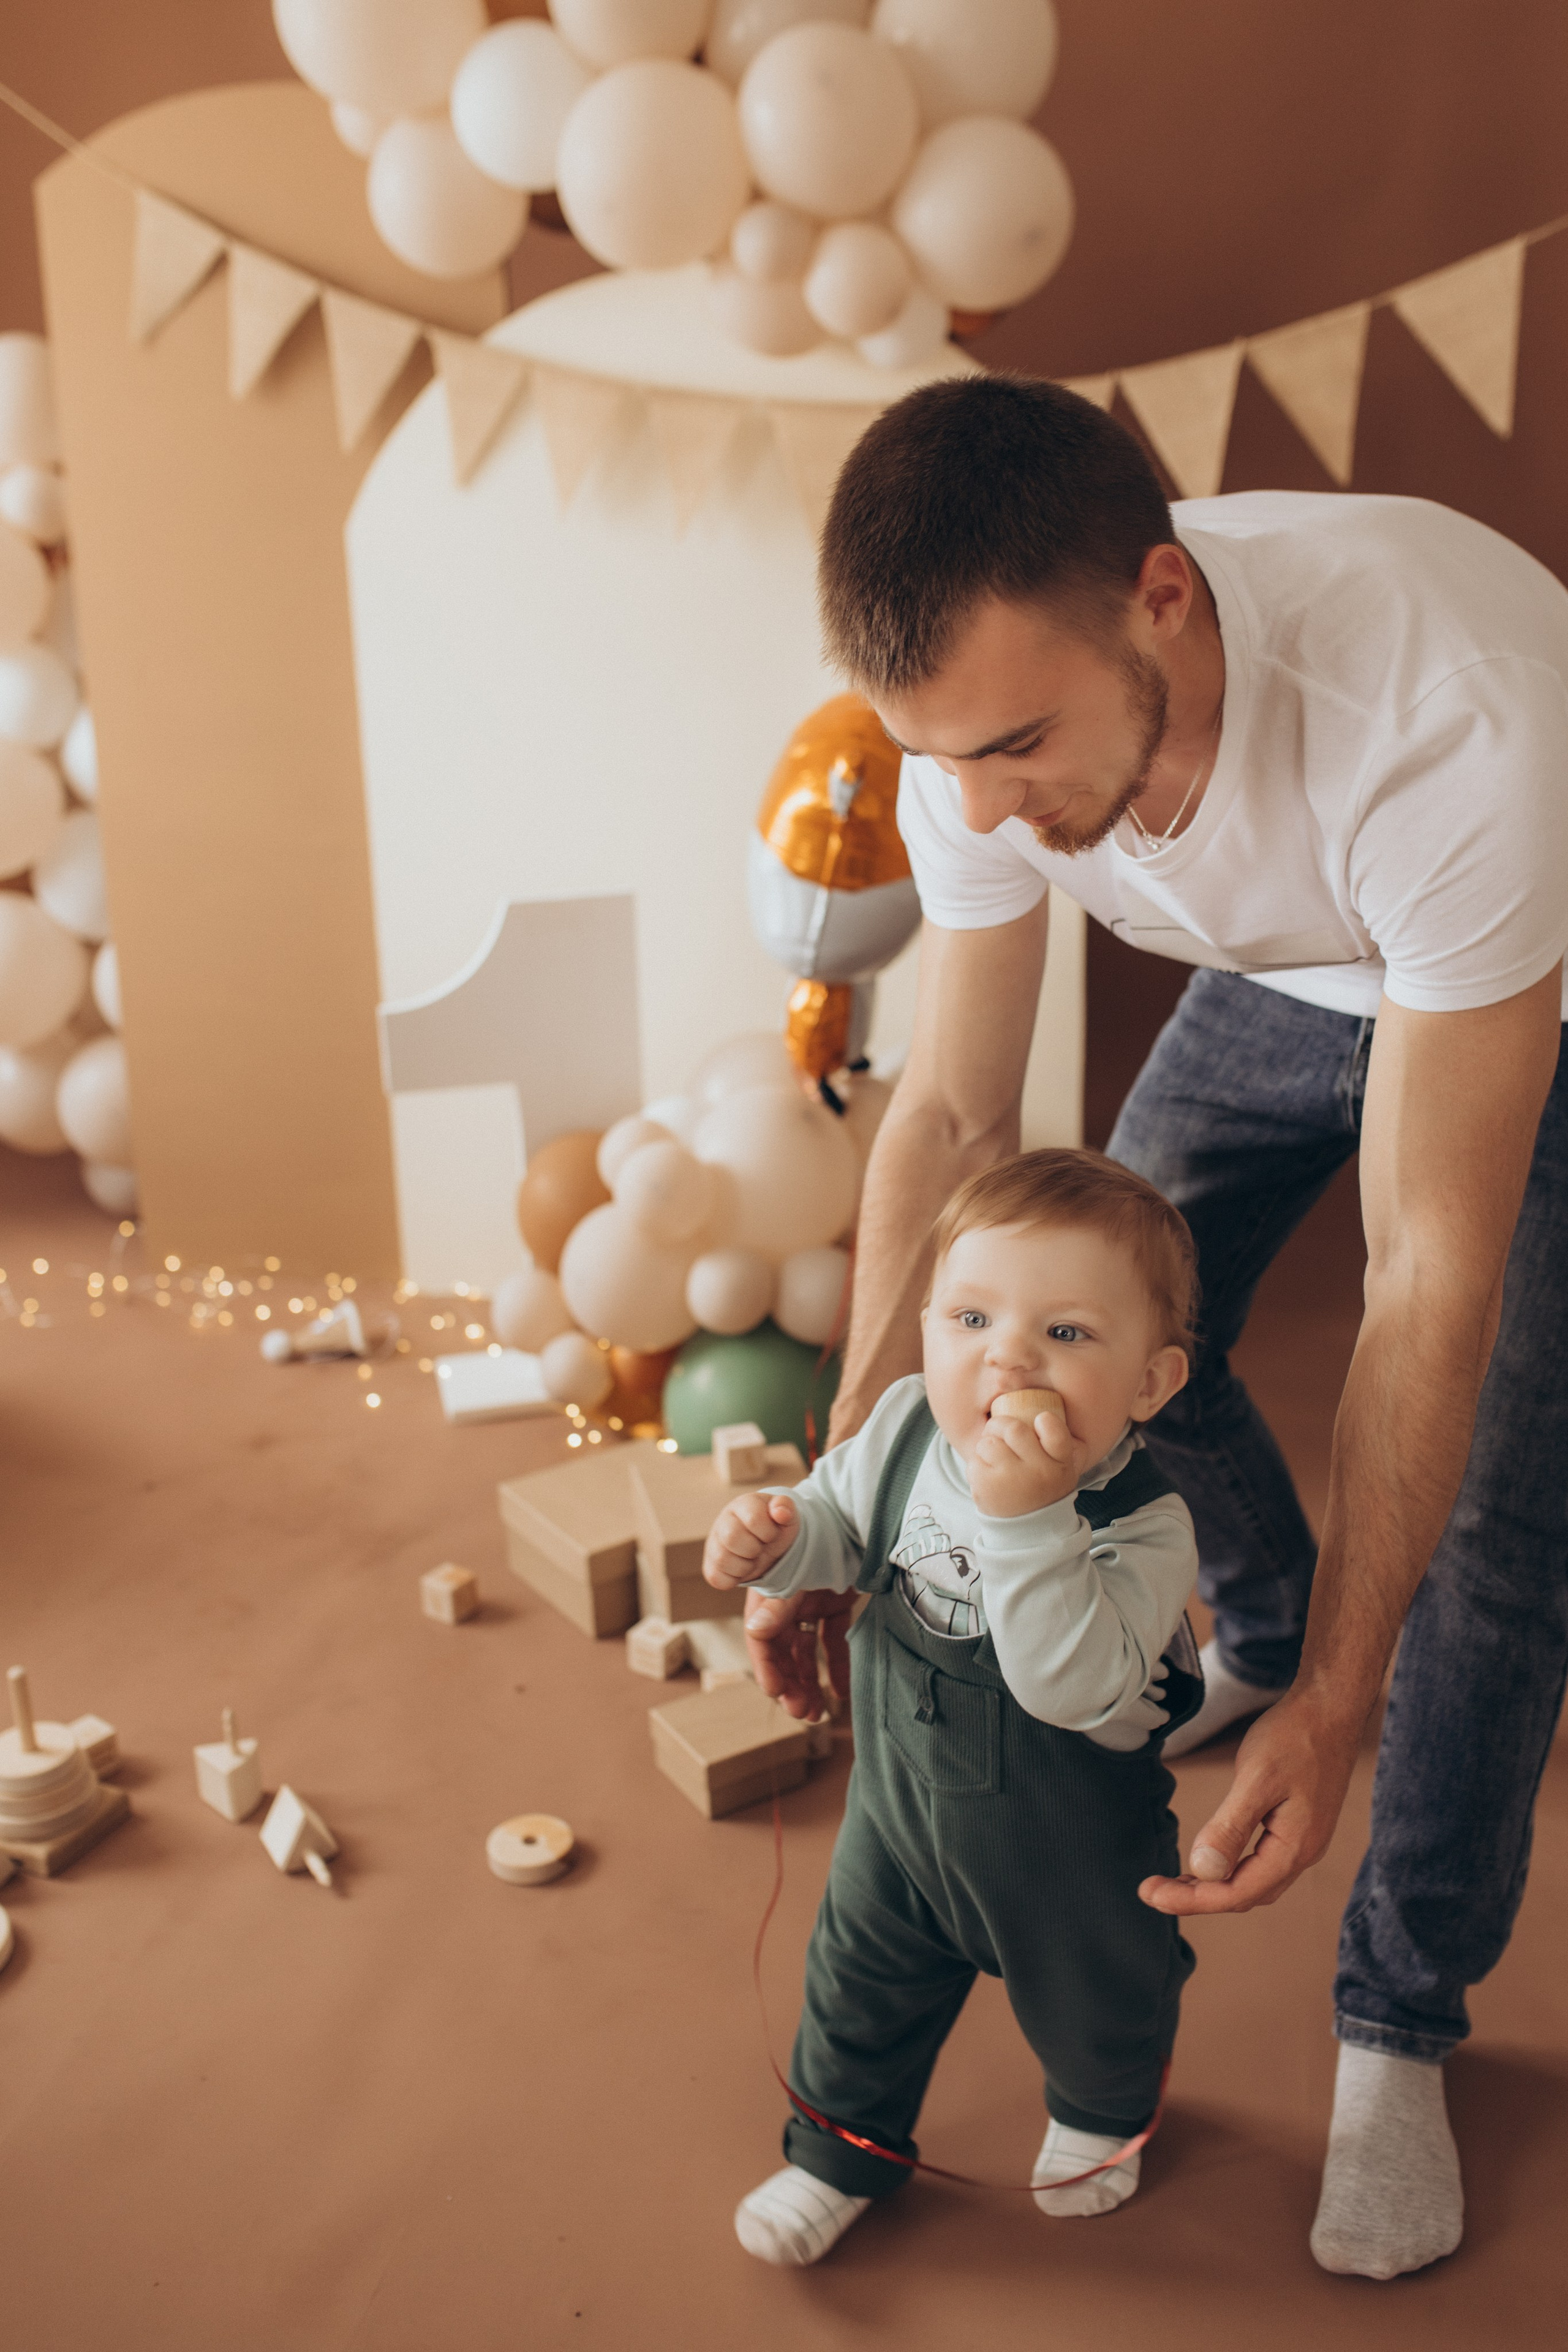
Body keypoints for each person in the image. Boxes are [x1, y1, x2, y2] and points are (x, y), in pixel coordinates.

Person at [741, 374, 1568, 2281]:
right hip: (1295, 964)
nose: (982, 815)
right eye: (939, 759)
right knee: (1108, 1298)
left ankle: (1400, 2024)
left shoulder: (1437, 724)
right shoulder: (983, 746)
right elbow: (952, 1122)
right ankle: (1262, 1628)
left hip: (1508, 953)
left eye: (1017, 748)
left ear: (1164, 605)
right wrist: (845, 1486)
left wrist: (1359, 1705)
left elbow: (1423, 1278)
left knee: (1499, 1538)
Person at [708, 1148, 1202, 2267]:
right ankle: (836, 2152)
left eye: (1066, 1334)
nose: (1007, 1357)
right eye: (971, 1317)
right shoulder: (902, 1427)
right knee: (855, 1979)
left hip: (1065, 1841)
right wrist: (784, 1543)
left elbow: (1071, 1687)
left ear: (1150, 1384)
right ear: (928, 1325)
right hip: (900, 1807)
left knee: (1100, 1998)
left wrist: (1027, 1520)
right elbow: (843, 1521)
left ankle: (1100, 2120)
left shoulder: (1144, 1525)